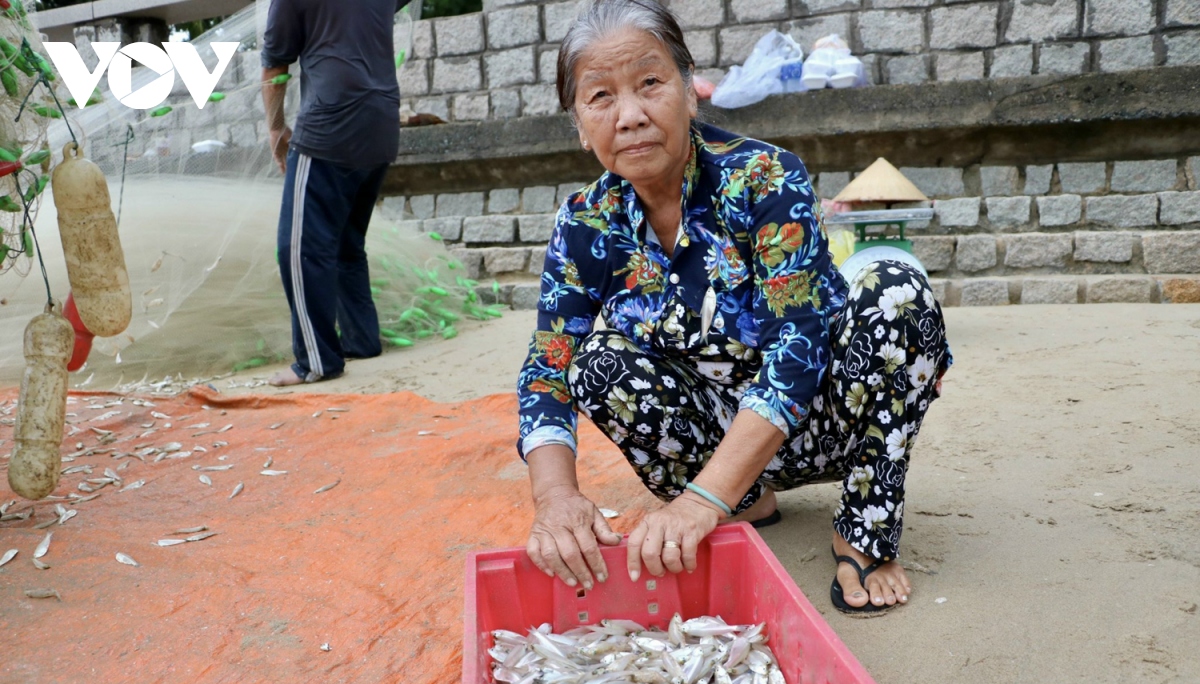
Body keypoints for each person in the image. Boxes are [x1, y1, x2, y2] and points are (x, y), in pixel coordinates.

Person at [516, 0, 951, 615]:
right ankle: (749, 499)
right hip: (717, 439)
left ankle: (863, 526)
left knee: (895, 293)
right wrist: (555, 496)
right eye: (601, 97)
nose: (632, 116)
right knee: (593, 361)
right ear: (580, 125)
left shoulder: (764, 177)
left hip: (830, 420)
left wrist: (700, 502)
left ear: (690, 92)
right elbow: (548, 364)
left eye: (649, 83)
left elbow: (797, 349)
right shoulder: (586, 220)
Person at [260, 0, 412, 386]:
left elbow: (276, 68)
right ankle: (361, 339)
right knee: (346, 242)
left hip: (330, 126)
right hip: (380, 125)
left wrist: (276, 129)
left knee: (299, 248)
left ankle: (315, 359)